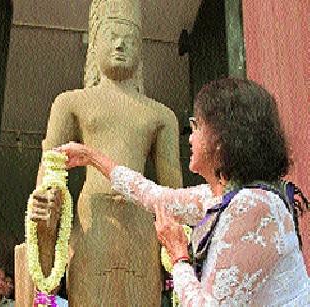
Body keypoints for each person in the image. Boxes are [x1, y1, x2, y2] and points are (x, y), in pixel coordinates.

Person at [32, 77, 310, 305]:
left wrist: (178, 255)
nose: (190, 137)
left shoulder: (253, 206)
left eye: (197, 127)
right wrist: (91, 157)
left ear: (222, 140)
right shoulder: (220, 196)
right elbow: (153, 195)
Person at [28, 0, 182, 305]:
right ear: (94, 42)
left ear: (141, 48)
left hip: (140, 226)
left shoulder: (160, 115)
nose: (120, 43)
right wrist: (46, 205)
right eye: (111, 34)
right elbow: (51, 174)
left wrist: (176, 244)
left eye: (130, 38)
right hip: (92, 223)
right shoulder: (71, 103)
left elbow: (172, 193)